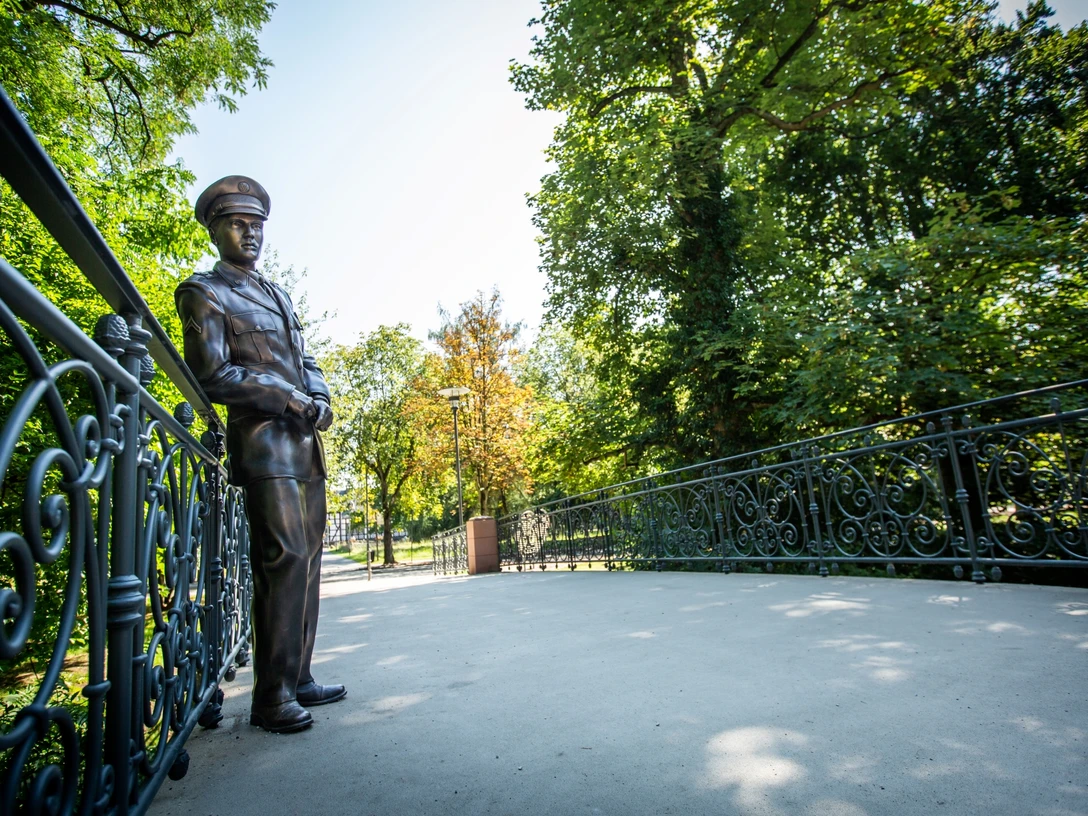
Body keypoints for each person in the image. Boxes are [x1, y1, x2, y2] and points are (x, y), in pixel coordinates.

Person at [175, 175, 346, 733]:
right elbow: (213, 373)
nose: (250, 234)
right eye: (238, 224)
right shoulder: (204, 293)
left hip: (305, 446)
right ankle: (270, 698)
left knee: (309, 560)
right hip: (263, 444)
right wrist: (287, 397)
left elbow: (305, 358)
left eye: (257, 226)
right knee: (284, 558)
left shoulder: (278, 294)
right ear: (216, 231)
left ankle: (298, 677)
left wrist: (319, 396)